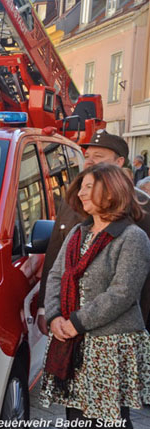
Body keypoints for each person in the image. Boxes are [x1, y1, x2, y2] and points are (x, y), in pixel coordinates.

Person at [40, 163, 150, 429]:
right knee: (77, 421)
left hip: (111, 345)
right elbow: (56, 275)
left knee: (112, 425)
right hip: (74, 343)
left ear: (111, 191)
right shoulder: (78, 233)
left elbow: (123, 293)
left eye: (89, 187)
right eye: (81, 187)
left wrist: (75, 322)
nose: (81, 194)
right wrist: (54, 317)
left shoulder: (132, 237)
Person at [37, 130, 150, 334]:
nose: (89, 162)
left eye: (98, 157)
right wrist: (48, 310)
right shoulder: (73, 201)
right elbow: (55, 259)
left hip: (114, 331)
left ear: (119, 162)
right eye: (87, 156)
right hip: (69, 326)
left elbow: (129, 286)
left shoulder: (142, 205)